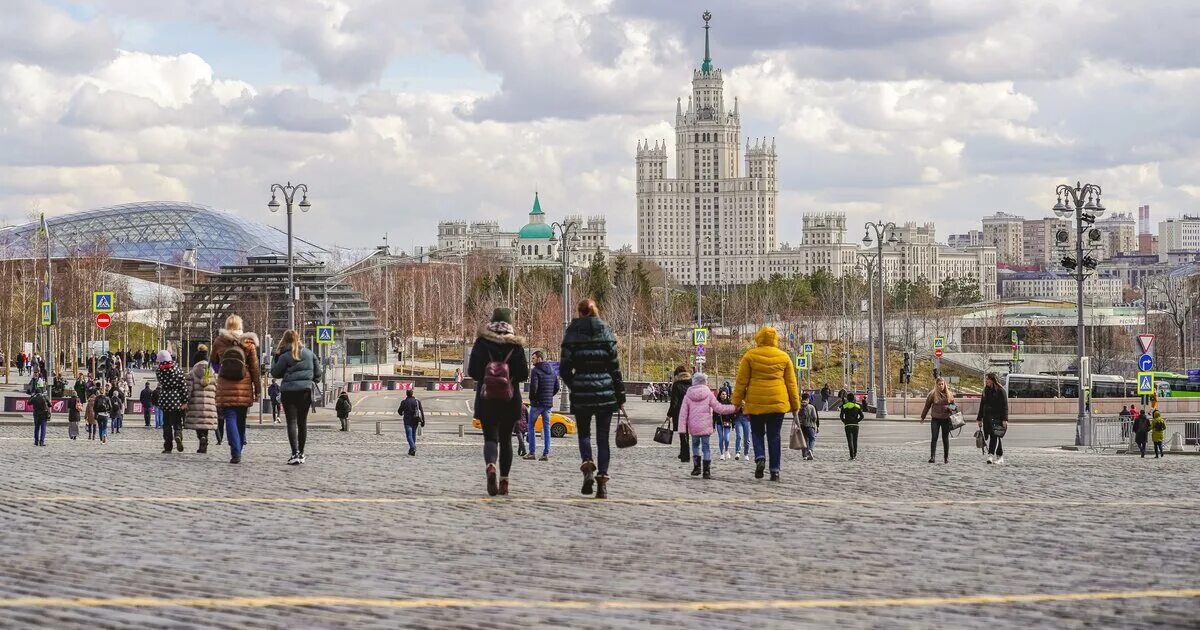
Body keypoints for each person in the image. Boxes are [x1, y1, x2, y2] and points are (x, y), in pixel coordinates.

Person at [560, 299, 625, 499]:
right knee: (603, 438)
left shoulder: (572, 332)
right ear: (596, 311)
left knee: (584, 434)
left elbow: (563, 369)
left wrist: (576, 383)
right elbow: (615, 368)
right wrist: (619, 394)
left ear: (579, 312)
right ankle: (602, 481)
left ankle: (587, 463)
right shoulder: (605, 330)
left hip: (581, 392)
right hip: (605, 391)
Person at [467, 307, 529, 496]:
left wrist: (486, 377)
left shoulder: (482, 342)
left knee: (490, 438)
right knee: (506, 441)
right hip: (510, 400)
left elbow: (472, 371)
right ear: (509, 323)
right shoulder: (516, 346)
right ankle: (504, 481)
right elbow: (524, 374)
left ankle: (491, 466)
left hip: (487, 399)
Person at [732, 326, 800, 482]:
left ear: (759, 338)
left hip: (756, 403)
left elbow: (741, 382)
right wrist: (795, 405)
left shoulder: (750, 356)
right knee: (774, 436)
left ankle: (760, 457)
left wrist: (736, 402)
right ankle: (775, 470)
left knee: (756, 433)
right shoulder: (784, 357)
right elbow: (791, 383)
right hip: (778, 403)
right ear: (776, 340)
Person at [213, 315, 262, 465]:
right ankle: (239, 449)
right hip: (244, 385)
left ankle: (235, 453)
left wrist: (222, 370)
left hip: (225, 385)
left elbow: (213, 363)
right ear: (241, 326)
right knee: (241, 419)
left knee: (230, 419)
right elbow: (254, 369)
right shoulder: (248, 343)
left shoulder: (219, 341)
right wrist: (258, 389)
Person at [271, 330, 322, 465]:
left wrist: (275, 356)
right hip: (305, 391)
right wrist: (310, 381)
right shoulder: (309, 353)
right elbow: (318, 373)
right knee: (302, 422)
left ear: (285, 340)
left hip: (289, 392)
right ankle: (302, 453)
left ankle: (294, 453)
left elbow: (275, 373)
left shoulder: (284, 356)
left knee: (291, 422)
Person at [679, 372, 737, 479]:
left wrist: (682, 429)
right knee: (706, 448)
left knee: (695, 446)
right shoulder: (709, 394)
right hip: (705, 426)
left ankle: (697, 468)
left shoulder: (688, 395)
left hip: (694, 426)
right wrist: (734, 408)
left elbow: (683, 414)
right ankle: (706, 471)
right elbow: (719, 408)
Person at [184, 345, 218, 454]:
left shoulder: (192, 373)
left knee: (199, 425)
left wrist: (185, 401)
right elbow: (217, 389)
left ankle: (201, 437)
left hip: (196, 404)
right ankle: (205, 439)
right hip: (210, 404)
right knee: (206, 424)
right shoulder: (213, 374)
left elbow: (188, 390)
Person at [524, 350, 558, 461]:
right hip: (548, 404)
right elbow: (557, 387)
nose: (532, 360)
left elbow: (533, 388)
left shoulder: (536, 370)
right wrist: (549, 396)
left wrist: (532, 399)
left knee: (531, 426)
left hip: (537, 404)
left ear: (539, 358)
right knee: (547, 427)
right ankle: (546, 453)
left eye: (533, 358)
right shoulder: (552, 370)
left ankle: (532, 452)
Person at [155, 350, 187, 453]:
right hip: (176, 399)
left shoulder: (159, 371)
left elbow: (161, 382)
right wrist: (184, 400)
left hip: (165, 399)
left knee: (166, 424)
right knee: (177, 422)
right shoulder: (178, 370)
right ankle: (178, 435)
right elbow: (183, 386)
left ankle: (168, 446)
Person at [921, 377, 955, 464]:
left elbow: (954, 407)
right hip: (935, 419)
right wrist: (923, 417)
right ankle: (932, 457)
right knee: (934, 438)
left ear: (945, 384)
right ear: (936, 385)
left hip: (945, 419)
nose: (941, 386)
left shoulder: (949, 394)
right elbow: (927, 406)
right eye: (939, 384)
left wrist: (949, 408)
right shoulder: (932, 394)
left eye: (942, 384)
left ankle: (946, 458)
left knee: (945, 438)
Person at [977, 372, 1009, 465]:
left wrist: (1004, 419)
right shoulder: (985, 390)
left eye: (988, 379)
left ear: (993, 380)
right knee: (993, 436)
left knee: (995, 436)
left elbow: (1005, 406)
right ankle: (999, 456)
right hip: (987, 417)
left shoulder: (1001, 391)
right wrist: (979, 418)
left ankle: (991, 455)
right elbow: (982, 405)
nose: (986, 381)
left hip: (997, 418)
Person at [666, 365, 693, 463]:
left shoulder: (677, 385)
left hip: (680, 413)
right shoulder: (692, 384)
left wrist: (669, 414)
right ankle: (684, 453)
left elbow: (674, 403)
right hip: (692, 412)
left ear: (677, 374)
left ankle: (685, 455)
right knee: (689, 435)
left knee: (683, 435)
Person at [397, 389, 424, 456]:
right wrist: (423, 421)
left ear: (406, 394)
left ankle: (413, 447)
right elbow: (421, 411)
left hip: (407, 421)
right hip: (415, 420)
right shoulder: (417, 401)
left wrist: (402, 412)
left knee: (409, 435)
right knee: (413, 434)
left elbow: (399, 411)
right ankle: (412, 450)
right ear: (412, 394)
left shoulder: (404, 402)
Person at [839, 390, 864, 460]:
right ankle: (855, 454)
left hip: (848, 425)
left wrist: (845, 421)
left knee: (849, 441)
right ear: (853, 398)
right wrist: (857, 421)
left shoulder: (844, 406)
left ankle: (851, 455)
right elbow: (862, 416)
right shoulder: (857, 406)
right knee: (855, 440)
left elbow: (841, 416)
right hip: (856, 425)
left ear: (847, 398)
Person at [714, 390, 734, 460]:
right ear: (720, 395)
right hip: (719, 423)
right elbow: (714, 414)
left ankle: (726, 450)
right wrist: (713, 425)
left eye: (725, 394)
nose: (724, 395)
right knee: (721, 439)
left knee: (727, 439)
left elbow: (732, 414)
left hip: (727, 422)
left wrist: (733, 424)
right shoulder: (717, 403)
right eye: (723, 394)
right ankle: (722, 453)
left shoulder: (729, 403)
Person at [800, 393, 820, 460]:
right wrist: (815, 425)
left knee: (804, 440)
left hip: (802, 426)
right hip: (810, 426)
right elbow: (815, 417)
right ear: (808, 399)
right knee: (812, 439)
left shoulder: (799, 406)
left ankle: (804, 455)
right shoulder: (811, 407)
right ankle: (810, 450)